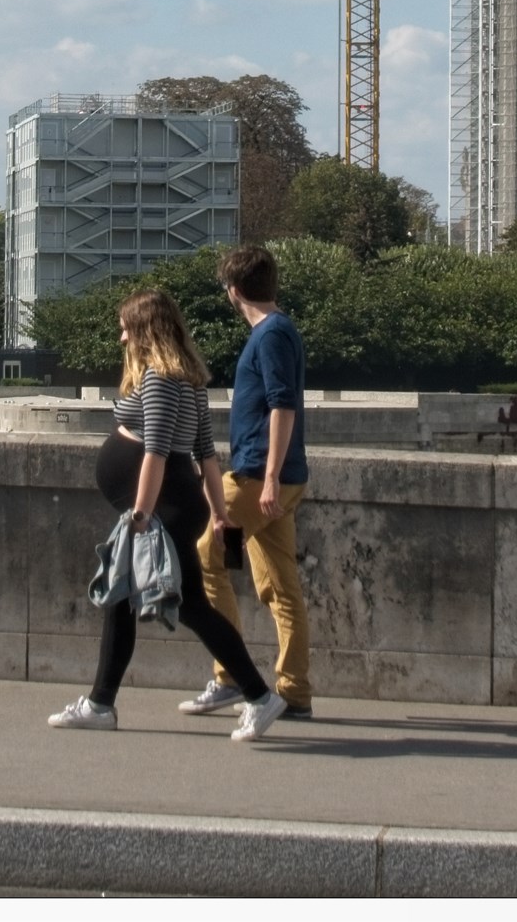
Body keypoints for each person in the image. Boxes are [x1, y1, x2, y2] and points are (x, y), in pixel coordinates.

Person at [47, 291, 286, 742]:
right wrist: (217, 514)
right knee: (130, 599)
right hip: (177, 502)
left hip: (161, 506)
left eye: (126, 328)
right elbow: (206, 456)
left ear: (145, 331)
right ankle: (101, 702)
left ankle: (258, 694)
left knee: (189, 605)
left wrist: (139, 513)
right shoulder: (190, 380)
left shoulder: (159, 379)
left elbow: (156, 452)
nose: (121, 337)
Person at [182, 244, 315, 722]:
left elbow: (282, 405)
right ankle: (294, 690)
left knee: (204, 556)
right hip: (271, 477)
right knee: (280, 585)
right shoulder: (279, 331)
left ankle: (231, 675)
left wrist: (271, 479)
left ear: (234, 292)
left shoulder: (271, 335)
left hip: (260, 476)